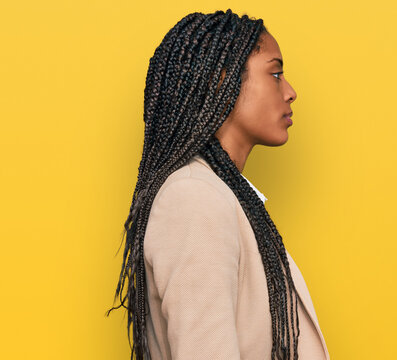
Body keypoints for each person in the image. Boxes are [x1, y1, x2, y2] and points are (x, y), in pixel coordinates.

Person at [106, 9, 330, 360]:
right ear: (221, 81)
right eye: (275, 74)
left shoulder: (221, 194)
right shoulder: (193, 199)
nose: (290, 92)